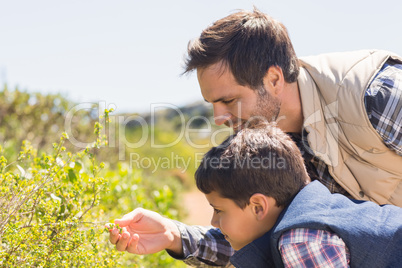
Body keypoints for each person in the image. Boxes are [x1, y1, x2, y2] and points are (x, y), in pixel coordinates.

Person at [108, 7, 402, 267]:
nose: (218, 118)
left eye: (228, 100)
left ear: (273, 80)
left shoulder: (379, 95)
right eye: (212, 103)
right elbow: (262, 237)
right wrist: (174, 236)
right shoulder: (272, 147)